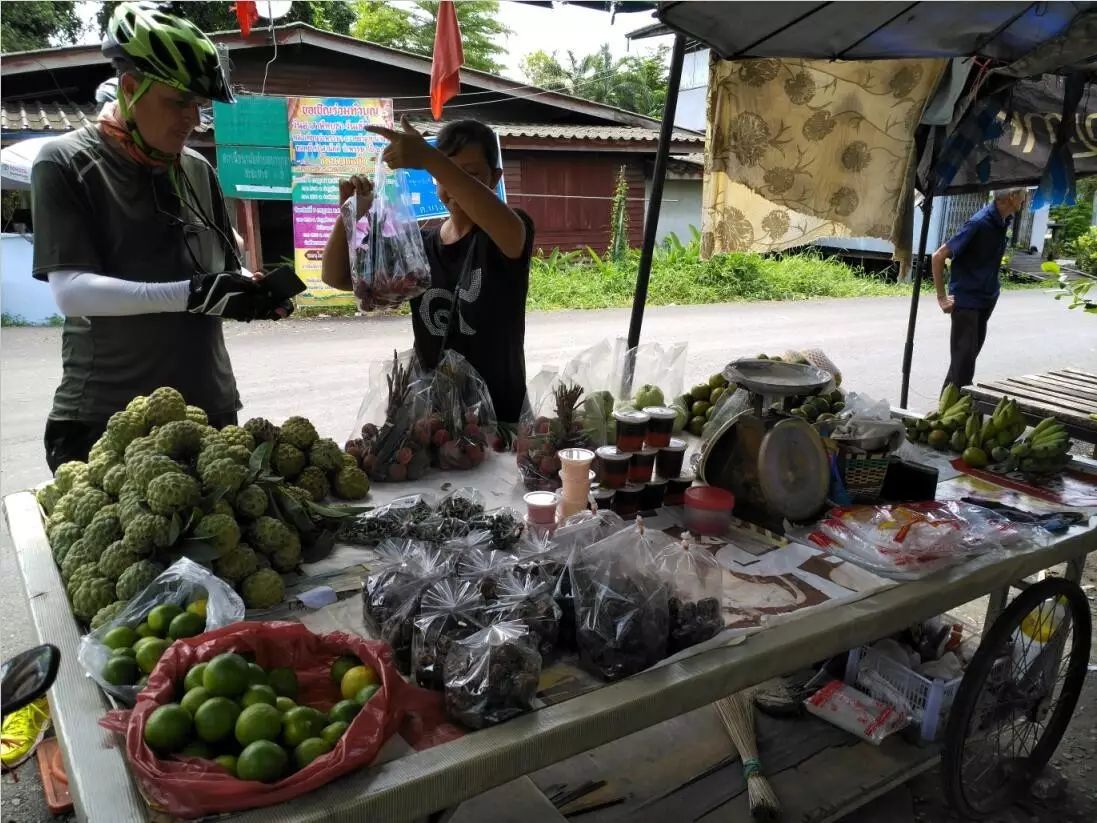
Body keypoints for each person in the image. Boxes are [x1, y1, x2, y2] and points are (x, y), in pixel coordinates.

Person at [31, 1, 290, 472]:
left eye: (199, 104)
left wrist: (245, 291)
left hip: (209, 406)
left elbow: (221, 266)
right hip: (107, 418)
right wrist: (190, 294)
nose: (192, 118)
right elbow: (71, 292)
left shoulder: (196, 168)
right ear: (131, 88)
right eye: (178, 101)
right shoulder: (65, 162)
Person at [321, 118, 534, 424]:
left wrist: (431, 159)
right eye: (445, 174)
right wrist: (349, 214)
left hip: (500, 415)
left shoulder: (509, 228)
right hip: (434, 417)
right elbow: (337, 277)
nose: (455, 184)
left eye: (470, 174)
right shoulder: (418, 247)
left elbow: (513, 237)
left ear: (495, 177)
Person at [931, 188, 1025, 390]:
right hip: (967, 302)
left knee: (964, 361)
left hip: (986, 299)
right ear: (1012, 196)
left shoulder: (1001, 221)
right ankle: (958, 415)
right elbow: (938, 256)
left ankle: (945, 412)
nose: (1025, 199)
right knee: (964, 366)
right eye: (1023, 194)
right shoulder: (979, 223)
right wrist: (941, 297)